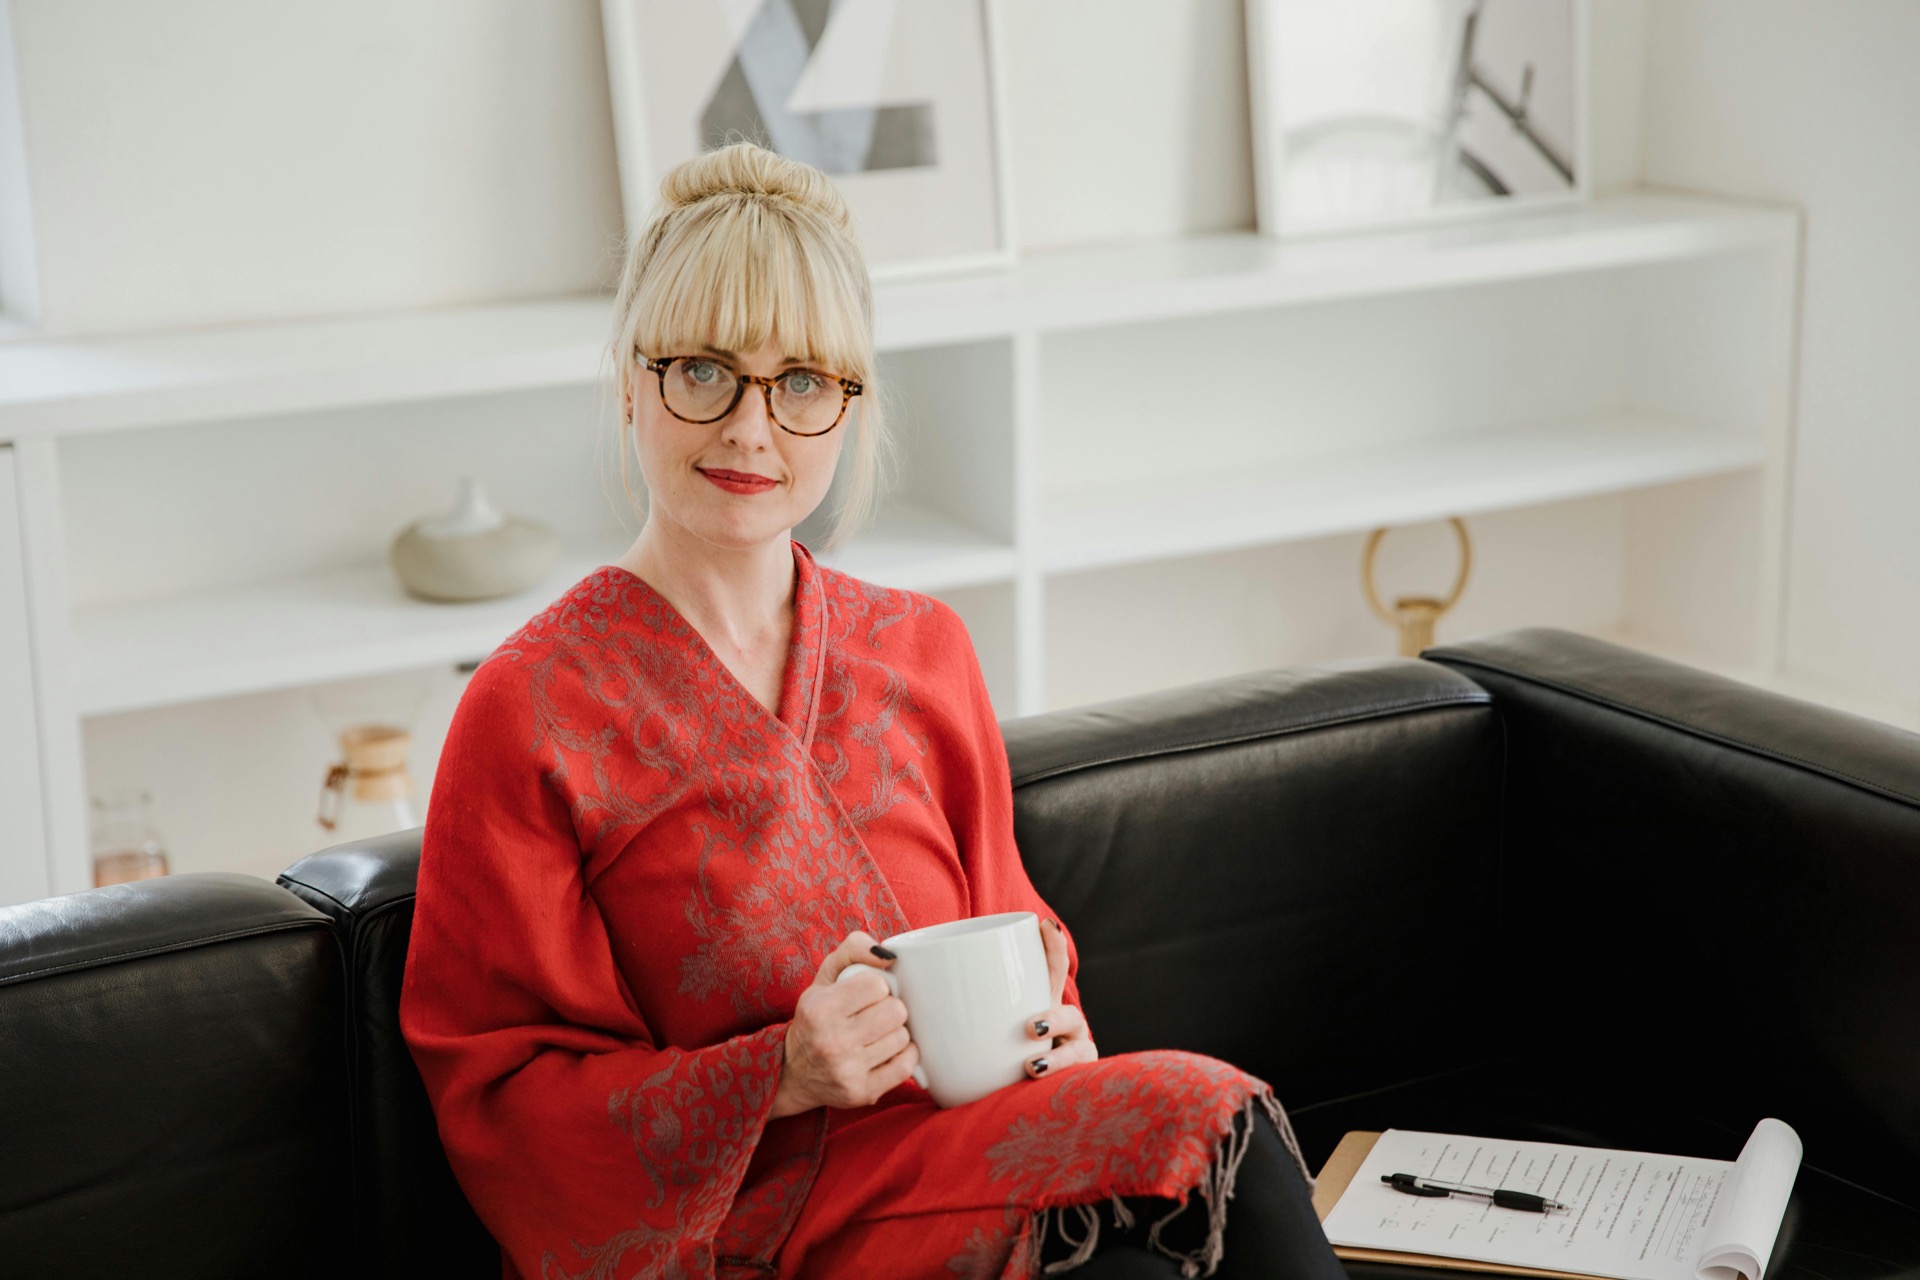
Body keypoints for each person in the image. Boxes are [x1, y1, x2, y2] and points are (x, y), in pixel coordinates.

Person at [399, 141, 1345, 1280]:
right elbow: (503, 1100)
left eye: (802, 382)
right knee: (1195, 1128)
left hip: (970, 1165)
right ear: (630, 380)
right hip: (753, 1232)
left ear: (848, 408)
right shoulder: (532, 708)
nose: (752, 428)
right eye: (703, 369)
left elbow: (1014, 935)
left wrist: (1059, 1037)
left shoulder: (923, 649)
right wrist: (782, 1071)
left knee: (1199, 1160)